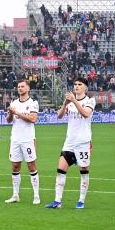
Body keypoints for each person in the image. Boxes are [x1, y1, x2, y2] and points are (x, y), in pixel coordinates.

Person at [46, 77, 96, 209]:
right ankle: (57, 201)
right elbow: (59, 115)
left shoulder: (90, 101)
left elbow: (86, 114)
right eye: (75, 84)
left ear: (85, 87)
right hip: (69, 142)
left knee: (84, 170)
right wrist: (65, 103)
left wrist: (74, 100)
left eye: (80, 84)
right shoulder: (70, 102)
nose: (76, 86)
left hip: (83, 142)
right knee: (60, 170)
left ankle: (81, 201)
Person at [5, 80, 41, 204]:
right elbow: (9, 120)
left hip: (28, 139)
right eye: (19, 86)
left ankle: (36, 195)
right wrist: (10, 112)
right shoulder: (14, 103)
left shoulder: (33, 103)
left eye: (22, 86)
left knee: (31, 166)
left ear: (28, 88)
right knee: (15, 166)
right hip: (15, 139)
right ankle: (15, 195)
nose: (20, 88)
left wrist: (17, 113)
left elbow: (33, 118)